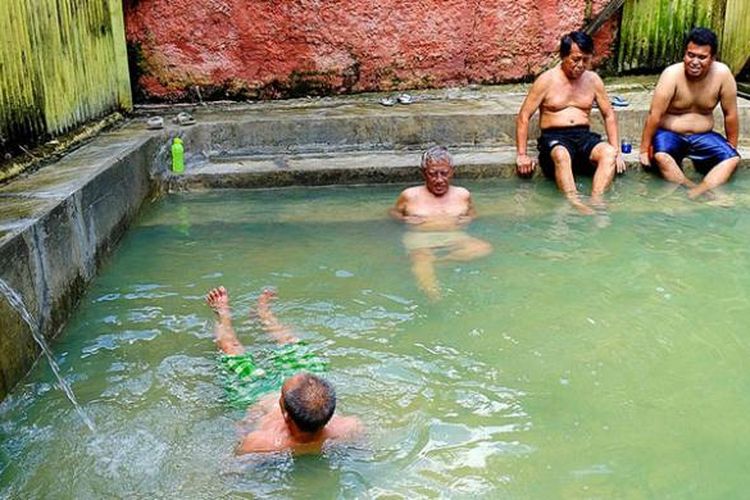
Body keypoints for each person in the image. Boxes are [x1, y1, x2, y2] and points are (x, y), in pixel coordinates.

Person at [206, 286, 361, 454]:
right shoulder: (349, 427)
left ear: (285, 415)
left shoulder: (264, 443)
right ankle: (264, 314)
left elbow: (232, 470)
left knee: (231, 350)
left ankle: (223, 314)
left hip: (254, 394)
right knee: (291, 343)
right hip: (298, 399)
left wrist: (244, 426)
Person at [515, 31, 626, 214]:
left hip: (583, 136)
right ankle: (574, 201)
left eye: (586, 60)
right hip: (555, 137)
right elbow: (524, 116)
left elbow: (609, 115)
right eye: (575, 59)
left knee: (609, 153)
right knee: (561, 154)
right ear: (563, 56)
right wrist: (522, 154)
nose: (581, 65)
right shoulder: (546, 80)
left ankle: (597, 201)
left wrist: (618, 151)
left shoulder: (593, 80)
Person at [639, 27, 740, 199]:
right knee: (662, 156)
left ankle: (698, 192)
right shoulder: (671, 75)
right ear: (684, 54)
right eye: (690, 55)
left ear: (713, 58)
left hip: (703, 136)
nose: (694, 61)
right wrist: (643, 149)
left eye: (702, 57)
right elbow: (654, 115)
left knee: (732, 159)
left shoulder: (723, 74)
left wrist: (732, 144)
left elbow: (730, 114)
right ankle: (693, 188)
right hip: (670, 134)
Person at [391, 146, 492, 300]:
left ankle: (441, 261)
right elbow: (393, 213)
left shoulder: (462, 194)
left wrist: (469, 218)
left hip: (454, 236)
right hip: (420, 239)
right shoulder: (409, 195)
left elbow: (473, 213)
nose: (439, 180)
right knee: (422, 259)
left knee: (483, 248)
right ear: (424, 173)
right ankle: (434, 296)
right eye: (433, 174)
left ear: (451, 172)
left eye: (444, 173)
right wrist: (404, 219)